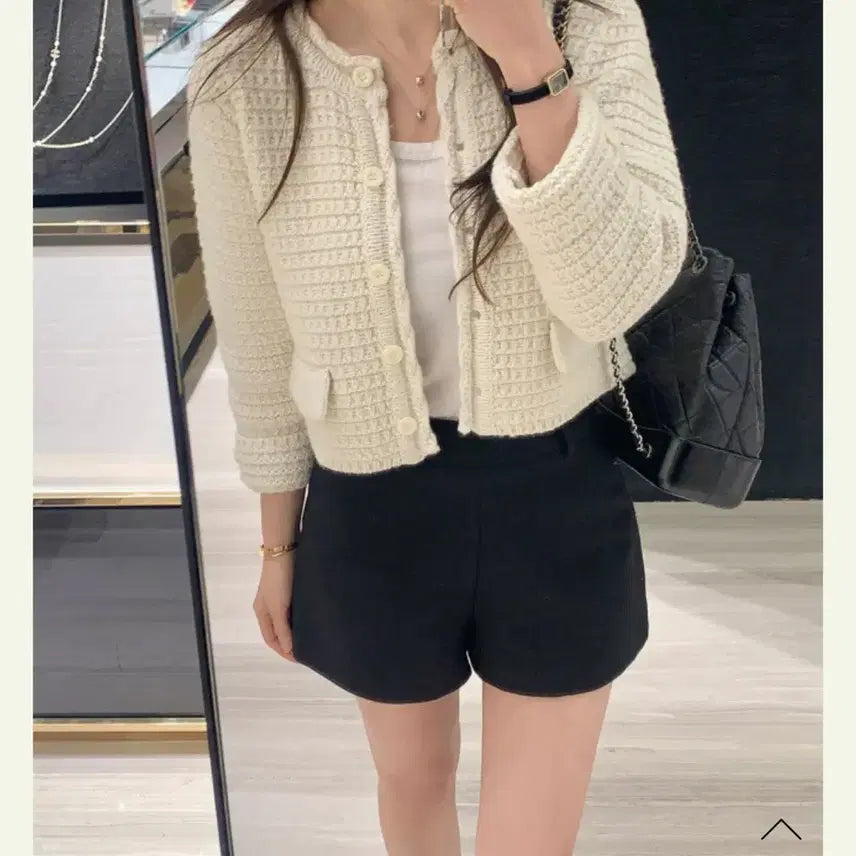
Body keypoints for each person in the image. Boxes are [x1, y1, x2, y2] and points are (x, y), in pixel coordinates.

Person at [188, 0, 686, 852]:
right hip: (369, 495)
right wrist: (277, 546)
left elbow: (616, 297)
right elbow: (258, 337)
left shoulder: (584, 22)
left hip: (554, 485)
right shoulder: (243, 72)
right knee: (412, 783)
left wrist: (529, 59)